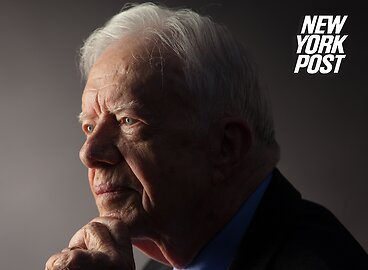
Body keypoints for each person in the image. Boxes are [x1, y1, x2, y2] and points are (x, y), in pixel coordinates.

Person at [45, 3, 368, 270]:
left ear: (226, 147)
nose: (89, 152)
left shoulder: (322, 263)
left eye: (128, 120)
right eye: (89, 126)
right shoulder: (163, 262)